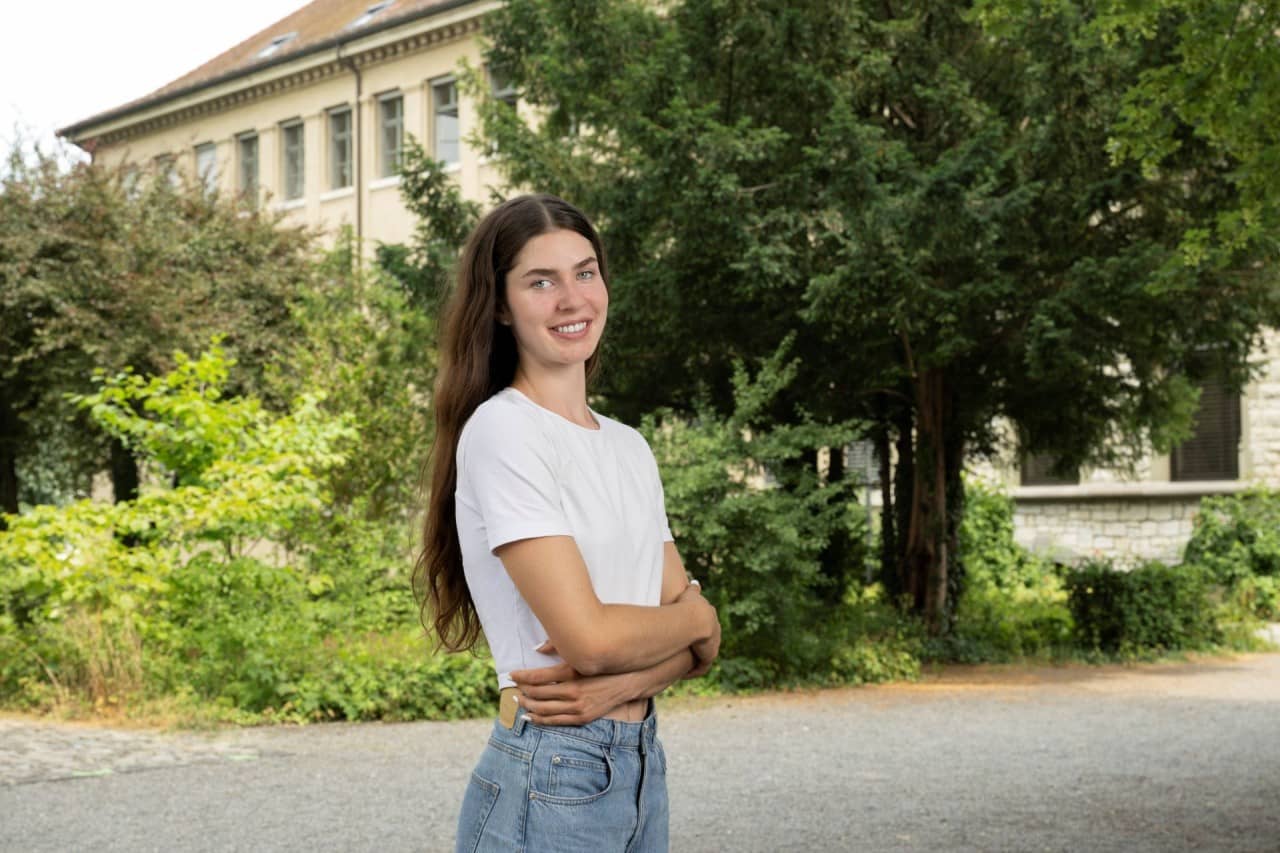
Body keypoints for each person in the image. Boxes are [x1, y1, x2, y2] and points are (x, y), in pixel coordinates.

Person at [415, 193, 721, 853]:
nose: (571, 298)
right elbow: (591, 639)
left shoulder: (629, 447)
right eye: (541, 281)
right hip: (553, 769)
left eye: (585, 272)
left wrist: (631, 678)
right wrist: (697, 618)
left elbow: (698, 651)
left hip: (640, 765)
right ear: (500, 305)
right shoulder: (504, 431)